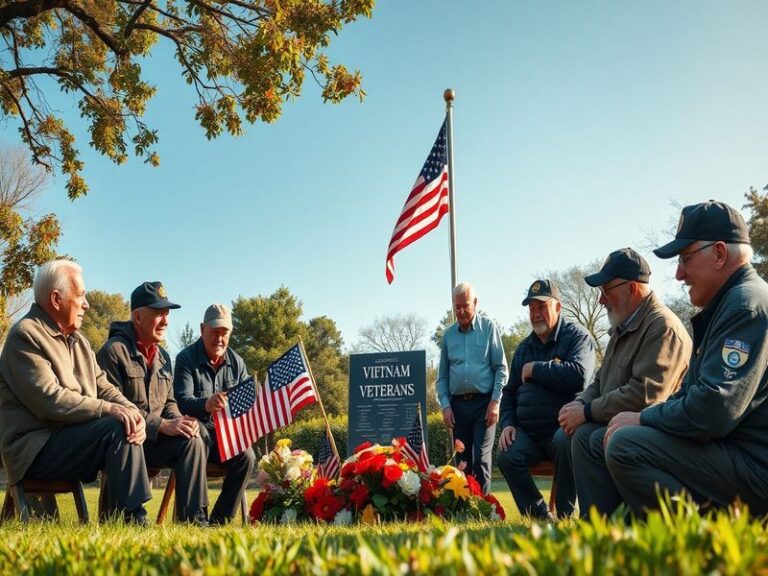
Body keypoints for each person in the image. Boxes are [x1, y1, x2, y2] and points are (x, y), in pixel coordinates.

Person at [605, 201, 768, 516]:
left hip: (754, 469)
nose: (679, 274)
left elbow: (714, 409)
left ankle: (706, 541)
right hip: (738, 455)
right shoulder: (732, 303)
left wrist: (644, 417)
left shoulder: (745, 307)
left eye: (685, 259)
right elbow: (694, 393)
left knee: (627, 446)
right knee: (625, 436)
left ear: (719, 254)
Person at [0, 260, 151, 523]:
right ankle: (133, 520)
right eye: (80, 295)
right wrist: (110, 410)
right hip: (34, 450)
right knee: (115, 427)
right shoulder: (25, 336)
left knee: (124, 423)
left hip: (67, 439)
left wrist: (133, 412)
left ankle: (120, 520)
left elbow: (103, 387)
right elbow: (50, 400)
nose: (86, 304)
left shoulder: (79, 342)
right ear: (56, 299)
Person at [557, 248, 692, 517]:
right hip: (621, 421)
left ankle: (617, 523)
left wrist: (586, 412)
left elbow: (646, 395)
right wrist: (579, 404)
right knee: (573, 434)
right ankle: (599, 524)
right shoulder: (622, 328)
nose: (600, 300)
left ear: (632, 288)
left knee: (591, 437)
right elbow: (599, 380)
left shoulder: (662, 327)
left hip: (655, 427)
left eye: (606, 291)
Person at [97, 281, 208, 524]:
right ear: (137, 317)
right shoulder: (113, 351)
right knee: (128, 431)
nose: (166, 320)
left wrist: (179, 420)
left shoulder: (164, 357)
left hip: (154, 441)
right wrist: (161, 425)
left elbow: (168, 402)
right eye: (158, 313)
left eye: (167, 314)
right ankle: (134, 518)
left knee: (193, 439)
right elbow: (112, 405)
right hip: (124, 441)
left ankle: (194, 520)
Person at [497, 279, 596, 519]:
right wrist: (508, 423)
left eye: (541, 307)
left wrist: (535, 369)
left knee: (565, 439)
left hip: (560, 430)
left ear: (558, 307)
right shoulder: (523, 348)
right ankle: (540, 517)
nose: (536, 314)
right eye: (531, 309)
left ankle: (565, 515)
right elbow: (509, 392)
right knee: (507, 455)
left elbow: (579, 376)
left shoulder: (577, 337)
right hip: (528, 434)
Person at [173, 304, 255, 524]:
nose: (220, 338)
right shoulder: (185, 359)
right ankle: (195, 519)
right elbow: (181, 401)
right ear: (202, 329)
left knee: (247, 457)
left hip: (224, 437)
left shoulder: (237, 362)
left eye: (224, 333)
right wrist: (205, 405)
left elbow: (248, 401)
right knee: (197, 433)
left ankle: (220, 521)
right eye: (215, 332)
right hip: (195, 436)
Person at [437, 282, 509, 494]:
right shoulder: (448, 336)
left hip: (484, 405)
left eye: (464, 306)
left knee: (481, 460)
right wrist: (445, 406)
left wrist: (495, 402)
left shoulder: (489, 329)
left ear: (475, 303)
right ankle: (465, 508)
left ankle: (483, 508)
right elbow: (442, 377)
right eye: (456, 306)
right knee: (463, 462)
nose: (460, 311)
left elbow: (501, 369)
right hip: (457, 407)